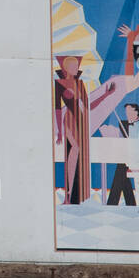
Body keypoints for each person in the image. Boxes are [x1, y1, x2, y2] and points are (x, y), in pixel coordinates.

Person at [54, 55, 90, 205]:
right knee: (74, 150)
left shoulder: (80, 84)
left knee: (78, 152)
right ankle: (68, 194)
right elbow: (57, 109)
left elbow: (88, 105)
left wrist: (106, 94)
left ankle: (76, 194)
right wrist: (60, 133)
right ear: (67, 68)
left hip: (82, 121)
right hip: (69, 120)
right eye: (74, 66)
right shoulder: (60, 83)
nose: (77, 68)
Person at [107, 103, 139, 206]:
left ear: (136, 112)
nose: (127, 114)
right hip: (128, 157)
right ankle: (130, 203)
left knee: (121, 168)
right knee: (122, 167)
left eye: (129, 111)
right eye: (126, 112)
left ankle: (112, 203)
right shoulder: (122, 124)